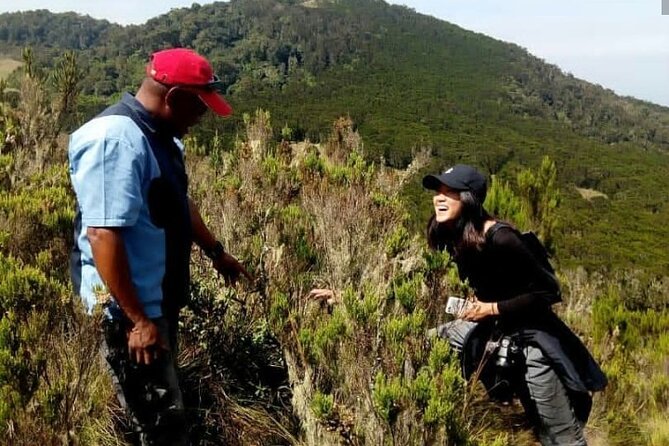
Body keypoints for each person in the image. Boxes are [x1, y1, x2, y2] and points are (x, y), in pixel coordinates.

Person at [68, 48, 251, 445]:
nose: (201, 118)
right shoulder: (114, 141)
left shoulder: (163, 137)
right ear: (172, 98)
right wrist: (139, 322)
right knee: (161, 428)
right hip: (130, 315)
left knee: (163, 414)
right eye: (199, 107)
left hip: (157, 306)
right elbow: (102, 234)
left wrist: (216, 252)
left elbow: (179, 203)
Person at [423, 164, 606, 446]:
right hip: (492, 329)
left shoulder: (502, 238)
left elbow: (547, 292)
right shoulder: (453, 233)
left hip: (533, 344)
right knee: (424, 343)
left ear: (469, 198)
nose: (439, 197)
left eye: (451, 192)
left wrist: (491, 308)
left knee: (559, 437)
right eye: (438, 191)